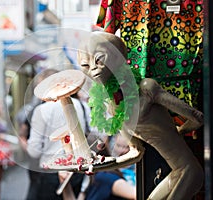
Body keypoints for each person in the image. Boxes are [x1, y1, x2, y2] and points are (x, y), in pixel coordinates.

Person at [77, 31, 204, 199]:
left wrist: (178, 132)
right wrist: (97, 166)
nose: (93, 68)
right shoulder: (112, 106)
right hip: (176, 174)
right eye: (85, 65)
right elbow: (136, 152)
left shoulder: (147, 89)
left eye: (99, 59)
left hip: (190, 172)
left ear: (119, 57)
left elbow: (197, 117)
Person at [26, 86, 87, 199]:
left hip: (50, 173)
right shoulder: (83, 106)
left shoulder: (41, 110)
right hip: (77, 170)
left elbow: (34, 152)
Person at [15, 68, 60, 200]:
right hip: (75, 172)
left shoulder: (39, 110)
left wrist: (25, 143)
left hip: (44, 173)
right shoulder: (80, 106)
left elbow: (33, 150)